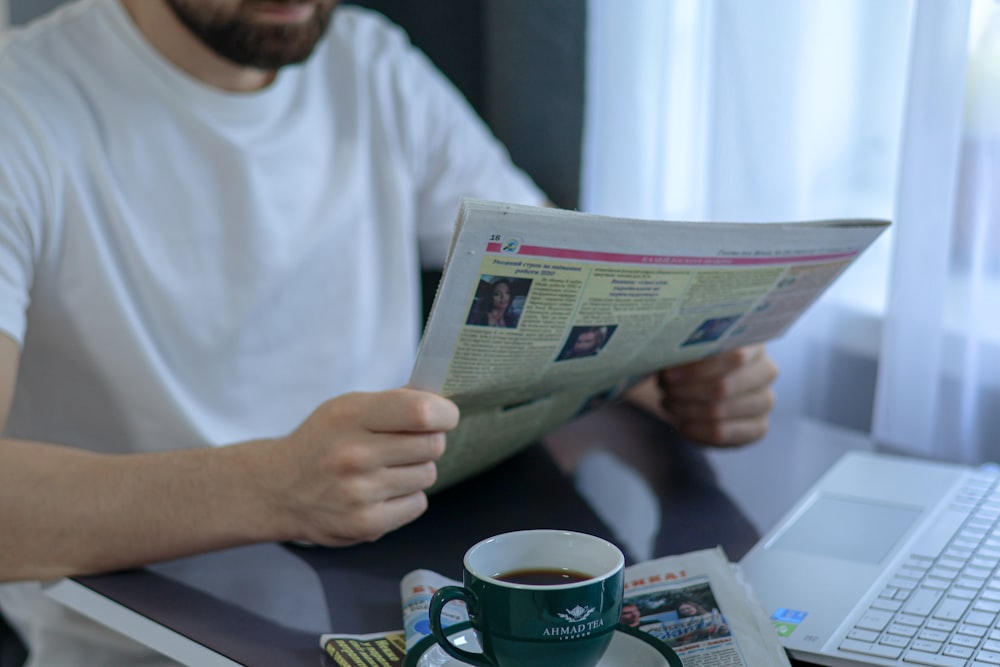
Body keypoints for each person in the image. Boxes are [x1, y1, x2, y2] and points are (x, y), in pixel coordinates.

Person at [0, 1, 779, 663]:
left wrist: (679, 372)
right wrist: (272, 485)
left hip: (385, 594)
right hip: (142, 638)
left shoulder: (369, 65)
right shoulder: (24, 108)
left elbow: (566, 292)